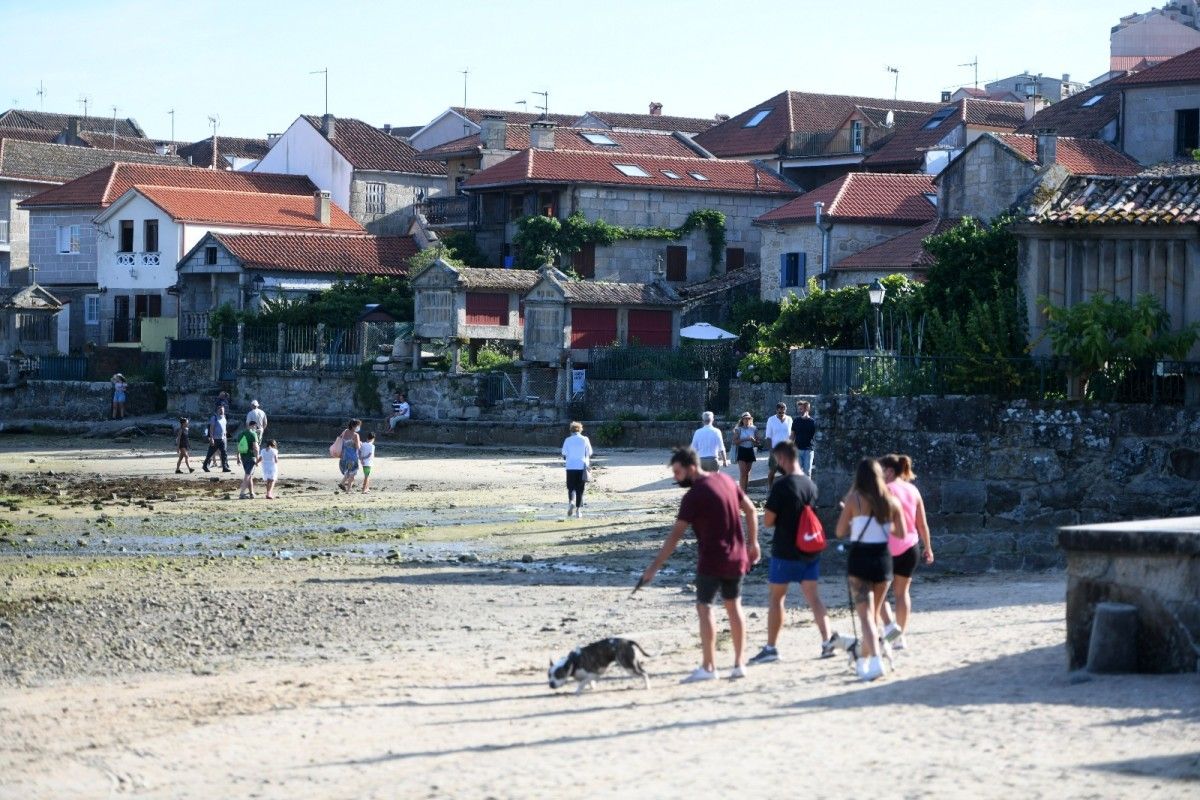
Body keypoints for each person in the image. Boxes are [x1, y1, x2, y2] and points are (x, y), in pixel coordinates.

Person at [640, 447, 761, 683]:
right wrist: (753, 543)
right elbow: (751, 509)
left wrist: (654, 567)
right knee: (734, 607)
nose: (675, 477)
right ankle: (739, 664)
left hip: (712, 560)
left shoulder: (693, 496)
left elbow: (675, 536)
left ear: (690, 468)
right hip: (737, 557)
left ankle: (709, 666)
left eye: (677, 472)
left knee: (705, 608)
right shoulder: (725, 479)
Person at [748, 441, 836, 665]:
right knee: (814, 598)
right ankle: (827, 642)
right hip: (809, 549)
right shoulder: (810, 484)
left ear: (783, 458)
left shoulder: (782, 486)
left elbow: (767, 521)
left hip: (785, 549)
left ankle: (771, 648)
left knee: (777, 598)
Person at [835, 458, 908, 682]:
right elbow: (901, 534)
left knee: (865, 616)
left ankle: (874, 661)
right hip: (883, 559)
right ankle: (865, 659)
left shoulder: (854, 499)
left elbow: (839, 532)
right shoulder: (891, 502)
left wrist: (852, 520)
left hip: (860, 558)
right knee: (875, 614)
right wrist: (882, 524)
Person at [878, 453, 934, 651]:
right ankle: (899, 635)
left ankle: (890, 630)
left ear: (890, 471)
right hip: (910, 547)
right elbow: (922, 524)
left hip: (886, 548)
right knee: (902, 593)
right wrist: (928, 548)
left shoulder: (885, 490)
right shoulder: (914, 490)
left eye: (880, 470)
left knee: (877, 593)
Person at [561, 421, 593, 518]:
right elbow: (590, 452)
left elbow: (564, 453)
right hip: (581, 466)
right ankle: (578, 511)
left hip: (570, 466)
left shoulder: (567, 440)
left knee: (571, 488)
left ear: (571, 430)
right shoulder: (585, 439)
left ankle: (571, 502)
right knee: (580, 489)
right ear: (580, 429)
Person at [764, 402, 793, 490]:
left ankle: (786, 489)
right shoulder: (771, 420)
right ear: (776, 410)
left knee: (786, 471)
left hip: (786, 450)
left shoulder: (789, 419)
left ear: (785, 410)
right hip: (775, 449)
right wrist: (771, 450)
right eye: (779, 411)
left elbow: (791, 435)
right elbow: (768, 436)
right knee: (773, 470)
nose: (781, 413)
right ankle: (770, 488)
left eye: (783, 411)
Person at [731, 412, 759, 493]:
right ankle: (741, 492)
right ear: (742, 420)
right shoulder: (738, 429)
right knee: (743, 472)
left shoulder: (754, 428)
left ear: (751, 419)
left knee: (747, 473)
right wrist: (746, 439)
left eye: (748, 418)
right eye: (745, 418)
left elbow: (758, 443)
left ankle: (745, 491)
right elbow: (734, 441)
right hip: (742, 450)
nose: (747, 420)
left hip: (750, 450)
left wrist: (754, 441)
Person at [236, 420, 261, 500]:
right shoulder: (253, 434)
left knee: (249, 475)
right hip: (251, 457)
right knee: (247, 475)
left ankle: (251, 493)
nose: (256, 428)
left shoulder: (241, 434)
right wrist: (257, 458)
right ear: (254, 425)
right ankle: (242, 493)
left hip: (243, 456)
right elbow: (256, 448)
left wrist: (238, 457)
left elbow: (238, 446)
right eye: (256, 427)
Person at [202, 406, 231, 473]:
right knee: (210, 453)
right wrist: (211, 438)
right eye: (220, 410)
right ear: (217, 410)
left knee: (224, 453)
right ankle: (205, 465)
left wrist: (225, 436)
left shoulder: (224, 417)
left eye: (223, 410)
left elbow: (224, 428)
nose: (222, 411)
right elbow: (211, 428)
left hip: (223, 439)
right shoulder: (214, 418)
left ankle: (224, 467)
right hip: (215, 439)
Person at [792, 400, 817, 476]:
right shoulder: (796, 421)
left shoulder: (813, 422)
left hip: (809, 450)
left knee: (807, 472)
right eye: (799, 409)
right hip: (797, 449)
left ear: (807, 409)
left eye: (801, 409)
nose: (800, 411)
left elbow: (816, 436)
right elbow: (792, 435)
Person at [337, 419, 362, 492]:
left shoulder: (345, 431)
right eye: (358, 426)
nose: (359, 427)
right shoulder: (355, 435)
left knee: (348, 471)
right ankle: (347, 488)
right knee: (352, 473)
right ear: (354, 426)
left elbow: (340, 439)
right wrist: (360, 443)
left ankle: (346, 486)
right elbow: (358, 447)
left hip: (344, 455)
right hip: (352, 457)